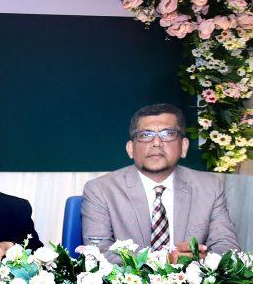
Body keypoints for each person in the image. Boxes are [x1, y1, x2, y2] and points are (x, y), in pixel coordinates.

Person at [82, 103, 239, 260]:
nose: (156, 143)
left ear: (184, 146)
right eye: (145, 135)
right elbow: (97, 253)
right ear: (130, 149)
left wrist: (202, 259)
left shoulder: (210, 187)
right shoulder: (101, 190)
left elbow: (227, 246)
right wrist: (165, 261)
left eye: (168, 134)